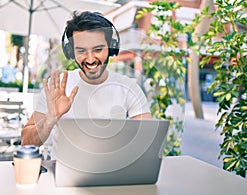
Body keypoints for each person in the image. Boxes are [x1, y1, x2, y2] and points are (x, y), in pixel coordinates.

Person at [21, 11, 152, 147]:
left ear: (111, 48)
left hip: (113, 167)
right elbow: (26, 143)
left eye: (98, 49)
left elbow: (148, 139)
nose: (90, 59)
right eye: (81, 51)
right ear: (71, 51)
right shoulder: (57, 86)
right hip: (63, 167)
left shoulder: (129, 87)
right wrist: (50, 118)